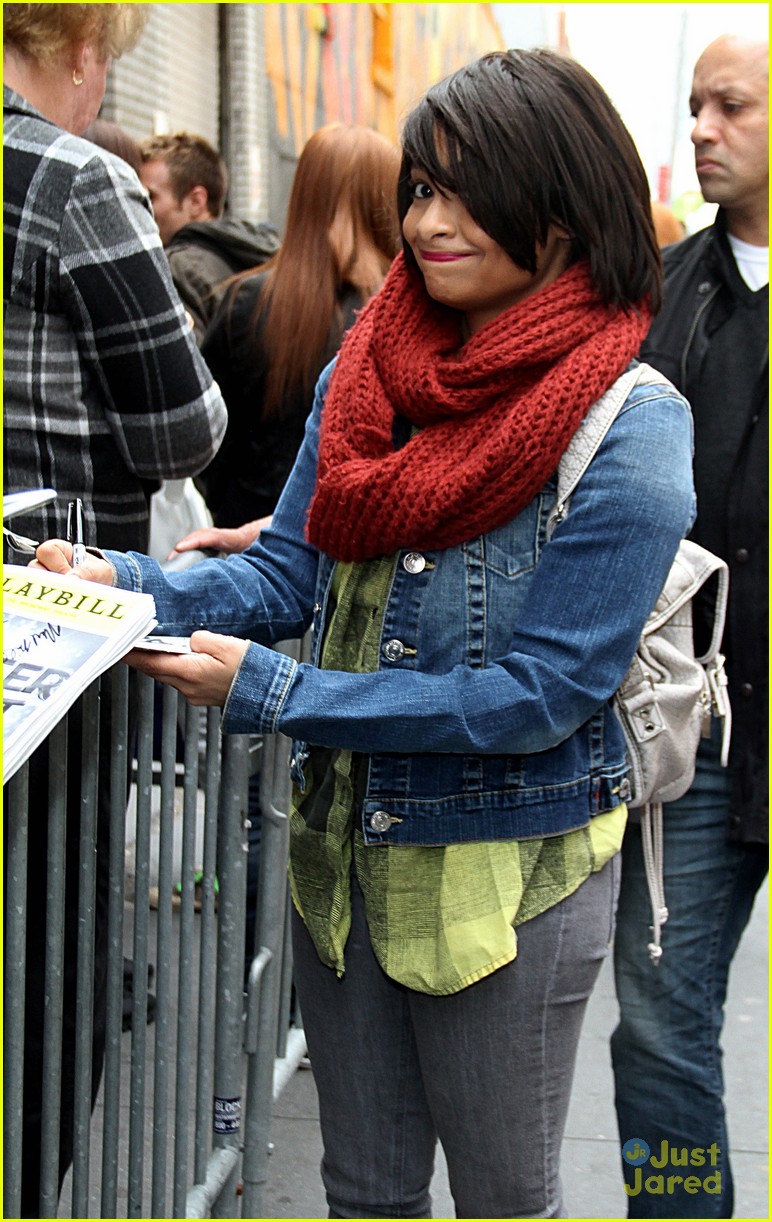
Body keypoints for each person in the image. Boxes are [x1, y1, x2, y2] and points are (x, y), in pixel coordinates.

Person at [34, 50, 695, 1218]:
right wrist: (118, 579)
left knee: (502, 1194)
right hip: (345, 854)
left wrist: (280, 695)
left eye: (466, 191)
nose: (430, 222)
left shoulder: (632, 424)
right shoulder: (366, 365)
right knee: (365, 1188)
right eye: (419, 189)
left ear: (562, 201)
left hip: (510, 876)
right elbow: (288, 570)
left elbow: (541, 694)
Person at [3, 5, 227, 1214]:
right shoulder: (71, 179)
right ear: (83, 49)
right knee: (50, 960)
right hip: (40, 626)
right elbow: (182, 427)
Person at [611, 34, 768, 1219]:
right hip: (700, 732)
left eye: (732, 106)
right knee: (661, 1022)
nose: (701, 128)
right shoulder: (664, 292)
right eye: (694, 106)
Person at [188, 122, 400, 537]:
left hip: (245, 544)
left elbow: (209, 438)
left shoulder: (245, 303)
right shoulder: (404, 317)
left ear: (305, 197)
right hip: (360, 550)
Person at [139, 132, 280, 341]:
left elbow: (186, 364)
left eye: (150, 197)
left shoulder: (176, 267)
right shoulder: (263, 254)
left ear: (196, 201)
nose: (140, 207)